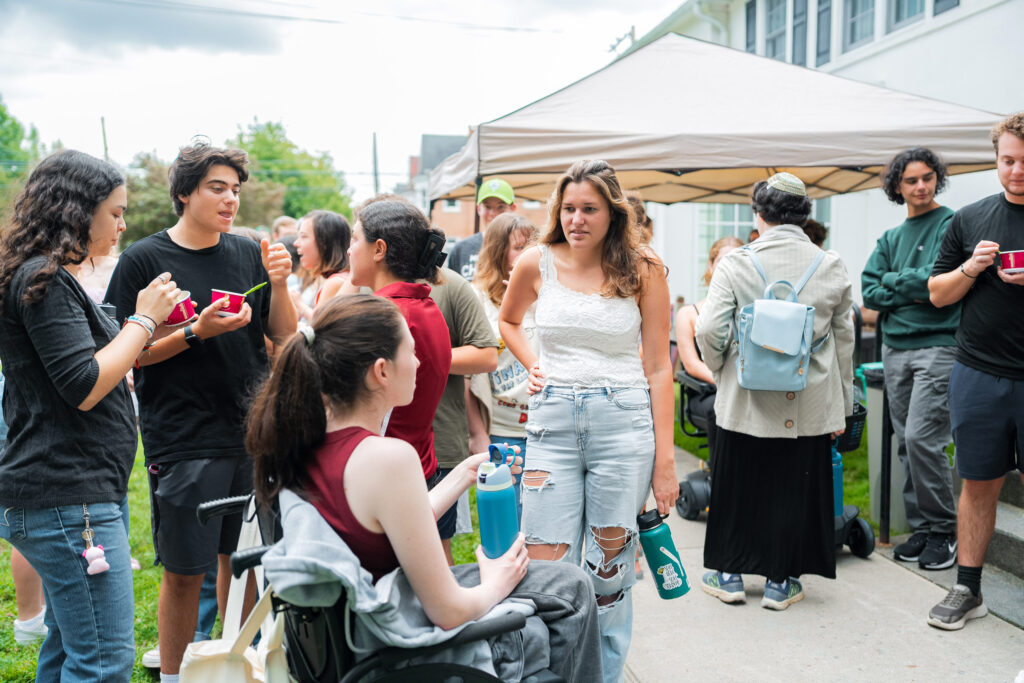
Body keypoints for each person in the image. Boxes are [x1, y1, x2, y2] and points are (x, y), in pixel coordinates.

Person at [245, 293, 602, 681]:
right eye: (412, 352)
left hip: (363, 630)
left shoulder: (305, 439)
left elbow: (385, 524)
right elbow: (448, 612)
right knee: (574, 589)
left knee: (566, 583)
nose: (419, 363)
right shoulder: (387, 458)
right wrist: (496, 581)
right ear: (381, 371)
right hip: (401, 645)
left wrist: (465, 472)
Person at [105, 142, 297, 681]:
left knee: (242, 566)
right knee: (184, 571)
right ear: (184, 193)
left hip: (251, 431)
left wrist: (278, 284)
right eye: (217, 187)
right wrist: (195, 332)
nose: (230, 199)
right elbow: (128, 353)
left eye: (236, 189)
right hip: (183, 436)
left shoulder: (246, 253)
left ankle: (233, 665)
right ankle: (173, 674)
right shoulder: (145, 258)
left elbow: (280, 334)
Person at [0, 149, 182, 680]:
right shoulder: (45, 280)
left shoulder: (46, 275)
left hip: (65, 493)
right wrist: (144, 320)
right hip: (68, 497)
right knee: (103, 660)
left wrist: (182, 329)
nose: (123, 224)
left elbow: (98, 359)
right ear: (77, 211)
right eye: (116, 212)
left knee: (67, 649)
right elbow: (83, 384)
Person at [500, 159, 676, 682]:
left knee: (608, 573)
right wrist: (534, 362)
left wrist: (665, 463)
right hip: (551, 426)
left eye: (589, 209)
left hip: (623, 429)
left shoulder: (644, 268)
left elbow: (659, 366)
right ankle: (546, 673)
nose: (576, 219)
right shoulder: (537, 262)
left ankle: (601, 676)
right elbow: (509, 320)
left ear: (612, 213)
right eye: (568, 208)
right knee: (542, 567)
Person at [695, 172, 854, 611]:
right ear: (805, 216)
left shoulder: (736, 262)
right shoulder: (831, 264)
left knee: (738, 484)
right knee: (791, 487)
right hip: (807, 402)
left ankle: (728, 575)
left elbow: (709, 328)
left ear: (758, 214)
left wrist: (720, 364)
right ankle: (781, 582)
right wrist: (843, 405)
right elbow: (844, 341)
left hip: (745, 397)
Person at [926, 111, 1024, 630]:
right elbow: (937, 294)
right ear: (996, 159)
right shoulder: (969, 219)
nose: (1016, 172)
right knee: (978, 482)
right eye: (1007, 161)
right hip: (979, 373)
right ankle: (968, 587)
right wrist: (971, 267)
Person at [862, 148, 959, 571]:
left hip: (940, 345)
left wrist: (897, 285)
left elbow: (941, 282)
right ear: (897, 187)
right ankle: (922, 526)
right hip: (895, 348)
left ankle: (945, 530)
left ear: (937, 178)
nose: (920, 186)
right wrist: (915, 288)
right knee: (907, 443)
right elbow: (869, 291)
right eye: (910, 181)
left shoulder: (952, 223)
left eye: (927, 178)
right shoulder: (890, 238)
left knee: (923, 438)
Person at [346, 198, 451, 498]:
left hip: (382, 476)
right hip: (417, 466)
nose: (350, 250)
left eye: (354, 239)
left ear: (379, 249)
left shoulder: (384, 317)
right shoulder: (425, 307)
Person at [468, 213, 540, 515]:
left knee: (543, 527)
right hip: (502, 430)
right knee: (506, 522)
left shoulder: (546, 295)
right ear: (497, 252)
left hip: (545, 429)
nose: (526, 256)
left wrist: (537, 299)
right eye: (518, 248)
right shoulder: (477, 299)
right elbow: (467, 377)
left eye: (532, 248)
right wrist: (478, 436)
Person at [427, 267, 499, 564]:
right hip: (374, 446)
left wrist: (420, 354)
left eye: (357, 239)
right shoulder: (360, 287)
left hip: (438, 448)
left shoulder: (449, 284)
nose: (350, 249)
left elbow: (486, 354)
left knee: (437, 551)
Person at [673, 236, 743, 437]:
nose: (729, 269)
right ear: (711, 266)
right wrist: (727, 383)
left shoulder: (749, 313)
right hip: (706, 393)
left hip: (742, 390)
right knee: (720, 408)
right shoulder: (688, 314)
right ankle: (722, 468)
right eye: (723, 262)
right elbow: (692, 365)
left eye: (736, 263)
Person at [446, 178, 516, 281]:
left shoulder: (521, 249)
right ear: (479, 209)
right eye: (487, 207)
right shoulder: (460, 250)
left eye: (500, 207)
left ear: (513, 209)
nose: (493, 213)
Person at [293, 209, 356, 313]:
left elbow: (319, 325)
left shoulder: (336, 281)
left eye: (303, 236)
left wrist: (299, 305)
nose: (296, 243)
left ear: (324, 243)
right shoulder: (324, 277)